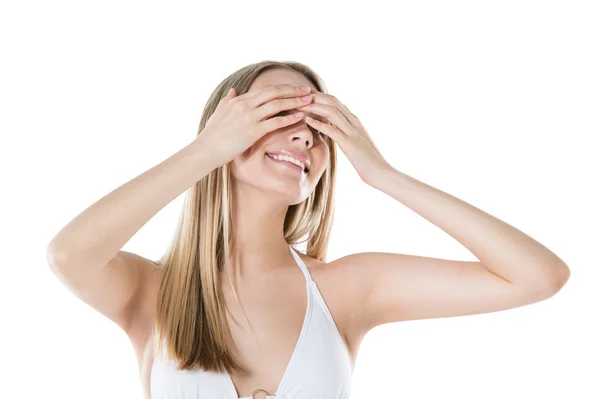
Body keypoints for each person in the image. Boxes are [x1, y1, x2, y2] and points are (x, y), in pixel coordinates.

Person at [47, 60, 570, 399]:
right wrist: (206, 151)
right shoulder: (153, 293)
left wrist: (384, 175)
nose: (303, 133)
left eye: (320, 125)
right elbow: (69, 254)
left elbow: (537, 276)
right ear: (226, 128)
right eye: (275, 111)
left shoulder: (345, 290)